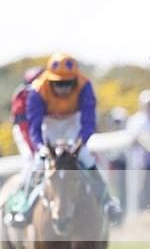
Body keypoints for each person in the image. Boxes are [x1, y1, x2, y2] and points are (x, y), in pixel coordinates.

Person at [10, 53, 122, 225]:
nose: (63, 88)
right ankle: (23, 207)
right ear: (50, 80)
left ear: (75, 80)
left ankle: (108, 202)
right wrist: (41, 147)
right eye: (58, 83)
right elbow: (34, 126)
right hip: (49, 125)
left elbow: (88, 122)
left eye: (68, 83)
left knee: (86, 157)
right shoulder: (37, 89)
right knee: (38, 163)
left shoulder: (85, 86)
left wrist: (79, 143)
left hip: (72, 124)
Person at [10, 66, 44, 161]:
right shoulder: (23, 95)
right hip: (23, 130)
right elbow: (23, 125)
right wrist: (34, 147)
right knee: (30, 158)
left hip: (38, 130)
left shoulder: (48, 90)